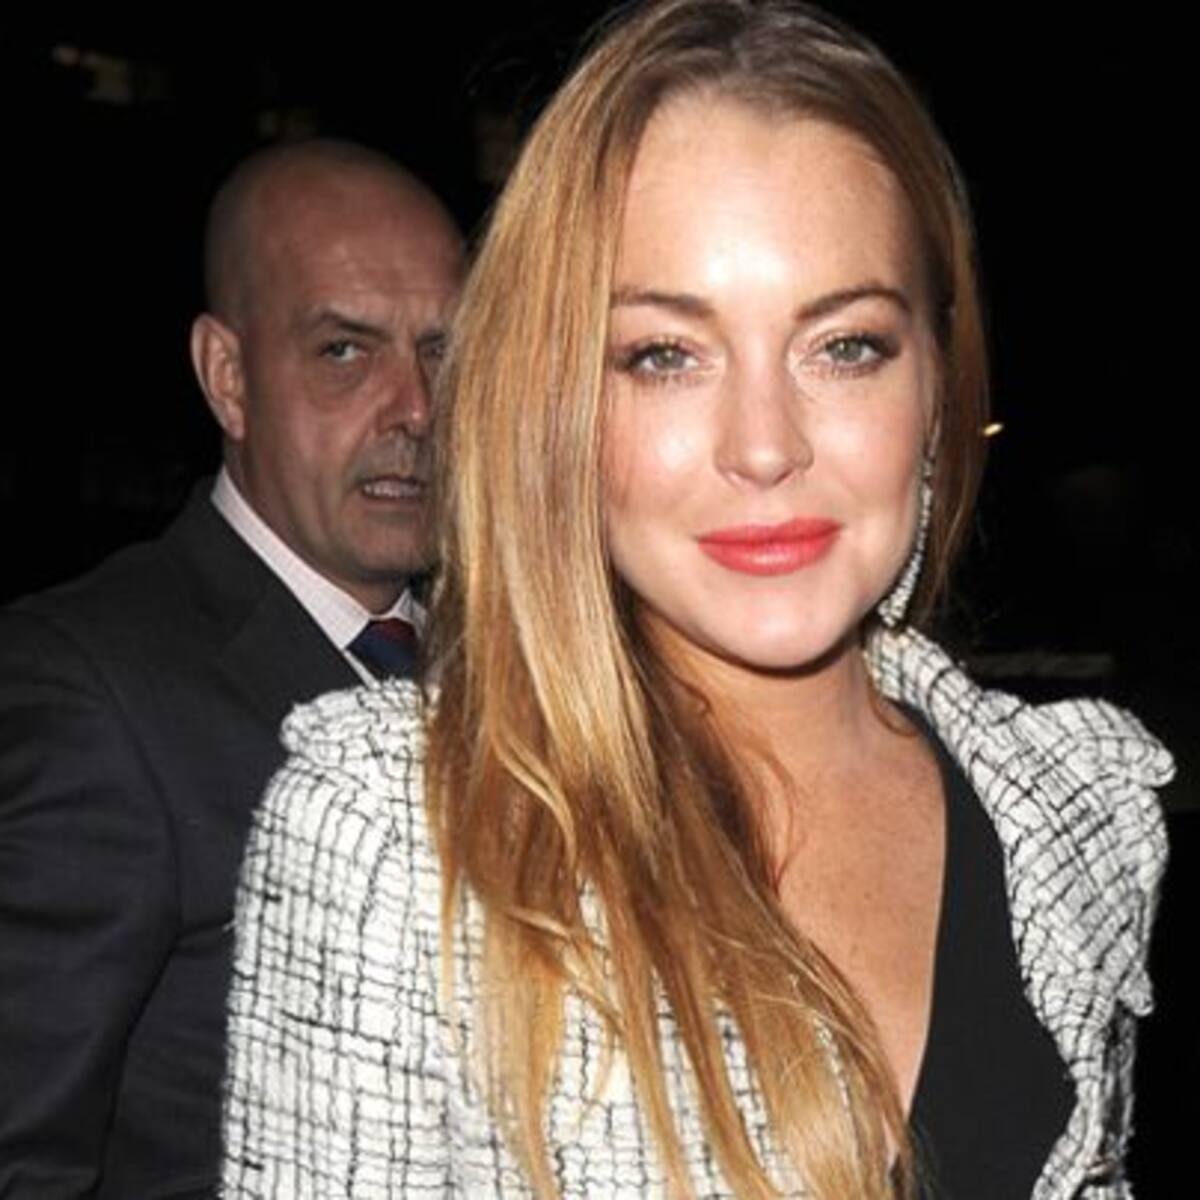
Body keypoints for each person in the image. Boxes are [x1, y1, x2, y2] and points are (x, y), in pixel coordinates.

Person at [220, 5, 1171, 1198]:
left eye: (845, 346)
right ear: (557, 400)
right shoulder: (403, 837)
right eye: (665, 354)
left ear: (937, 377)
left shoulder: (1074, 815)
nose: (764, 447)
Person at [0, 140, 463, 1197]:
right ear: (229, 377)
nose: (418, 409)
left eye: (445, 351)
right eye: (344, 352)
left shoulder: (521, 670)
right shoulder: (90, 693)